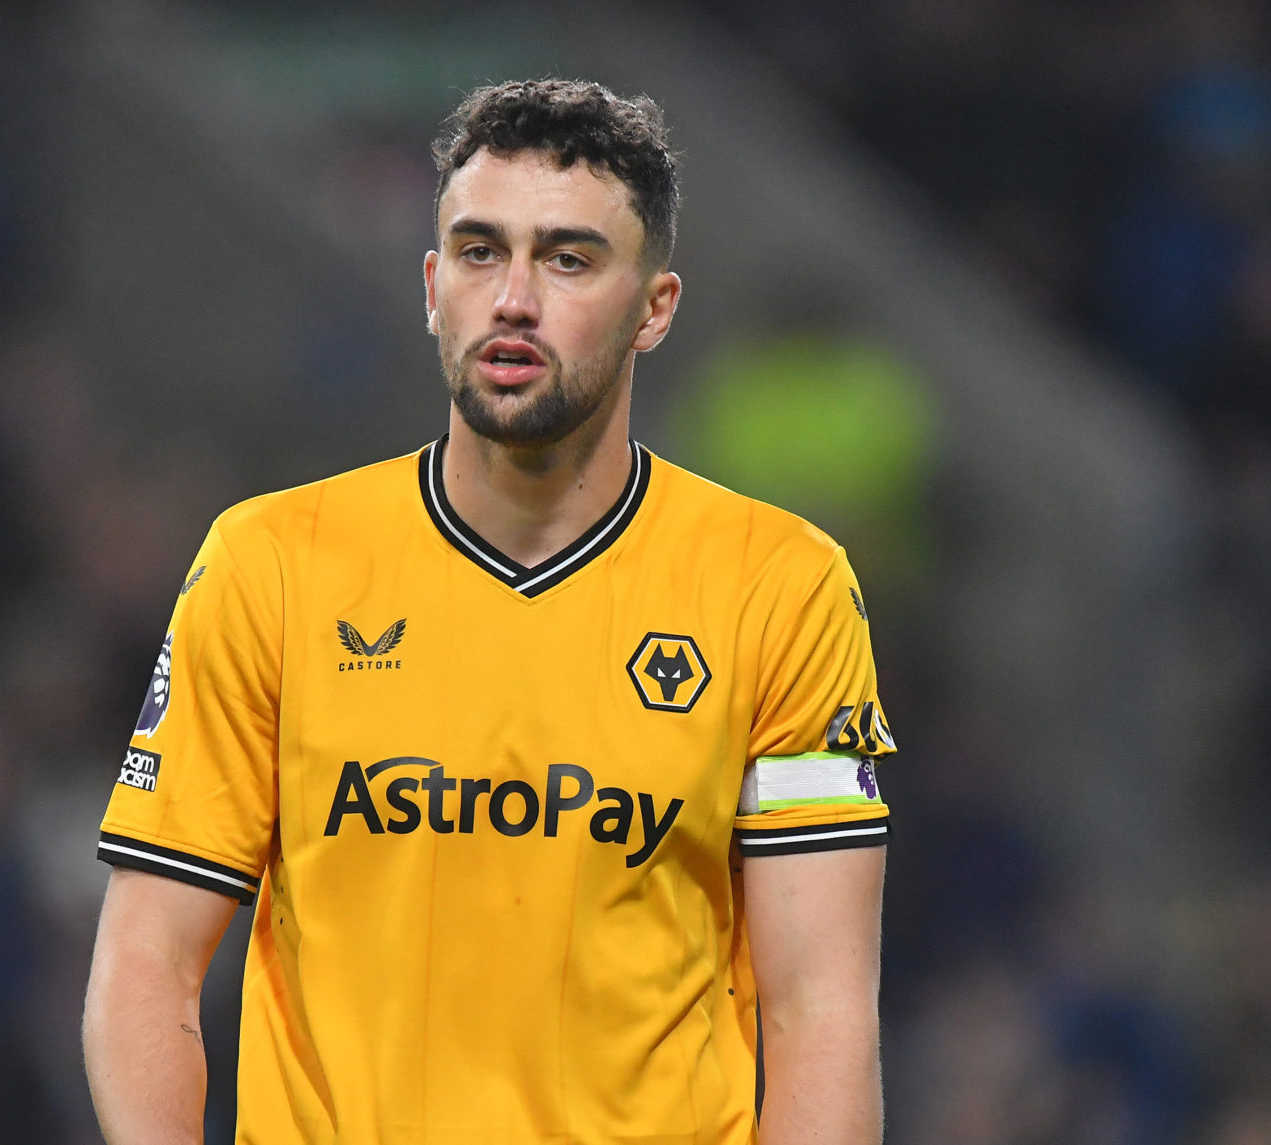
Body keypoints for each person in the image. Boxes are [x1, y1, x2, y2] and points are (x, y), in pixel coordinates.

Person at [83, 78, 896, 1145]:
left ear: (655, 309)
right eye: (478, 251)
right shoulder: (271, 564)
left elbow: (820, 1010)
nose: (514, 297)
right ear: (431, 285)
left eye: (567, 259)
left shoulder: (779, 586)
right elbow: (146, 959)